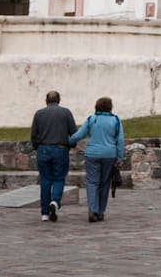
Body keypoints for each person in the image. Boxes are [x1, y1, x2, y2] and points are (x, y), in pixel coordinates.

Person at [68, 96, 125, 223]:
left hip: (92, 154)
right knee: (104, 184)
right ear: (110, 107)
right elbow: (120, 140)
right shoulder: (115, 120)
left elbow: (79, 135)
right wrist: (120, 157)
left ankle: (92, 210)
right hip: (109, 155)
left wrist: (68, 141)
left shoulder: (91, 119)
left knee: (92, 182)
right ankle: (100, 212)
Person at [29, 90, 77, 222]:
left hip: (43, 149)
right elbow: (73, 133)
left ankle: (44, 213)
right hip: (60, 149)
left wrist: (36, 147)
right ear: (59, 100)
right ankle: (54, 201)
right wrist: (71, 145)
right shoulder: (66, 112)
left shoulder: (39, 114)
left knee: (45, 180)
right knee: (59, 178)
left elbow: (34, 134)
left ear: (46, 101)